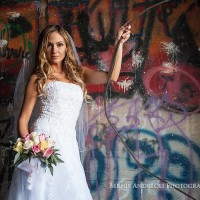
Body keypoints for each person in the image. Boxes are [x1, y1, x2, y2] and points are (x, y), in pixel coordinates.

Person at [5, 24, 131, 200]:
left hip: (68, 141)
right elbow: (23, 119)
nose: (54, 50)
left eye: (59, 44)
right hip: (43, 141)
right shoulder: (38, 77)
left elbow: (112, 77)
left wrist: (119, 44)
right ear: (43, 48)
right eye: (49, 45)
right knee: (41, 189)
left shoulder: (78, 73)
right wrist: (30, 151)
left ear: (67, 47)